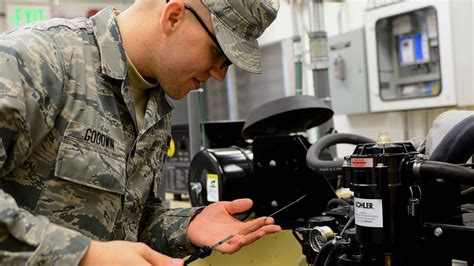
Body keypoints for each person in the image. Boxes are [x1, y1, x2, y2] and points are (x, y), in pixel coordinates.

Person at [0, 0, 280, 265]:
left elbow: (131, 223)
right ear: (173, 17)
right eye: (218, 53)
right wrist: (84, 255)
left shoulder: (155, 104)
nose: (220, 76)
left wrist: (187, 225)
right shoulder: (35, 60)